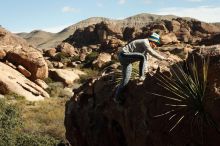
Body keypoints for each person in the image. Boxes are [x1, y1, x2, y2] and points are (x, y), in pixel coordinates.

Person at [114, 32, 171, 104]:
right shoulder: (145, 42)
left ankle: (116, 98)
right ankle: (141, 76)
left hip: (126, 61)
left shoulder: (145, 47)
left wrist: (146, 71)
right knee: (142, 57)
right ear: (152, 41)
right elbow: (151, 52)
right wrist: (163, 59)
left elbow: (145, 60)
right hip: (124, 55)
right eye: (155, 43)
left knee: (125, 80)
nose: (155, 46)